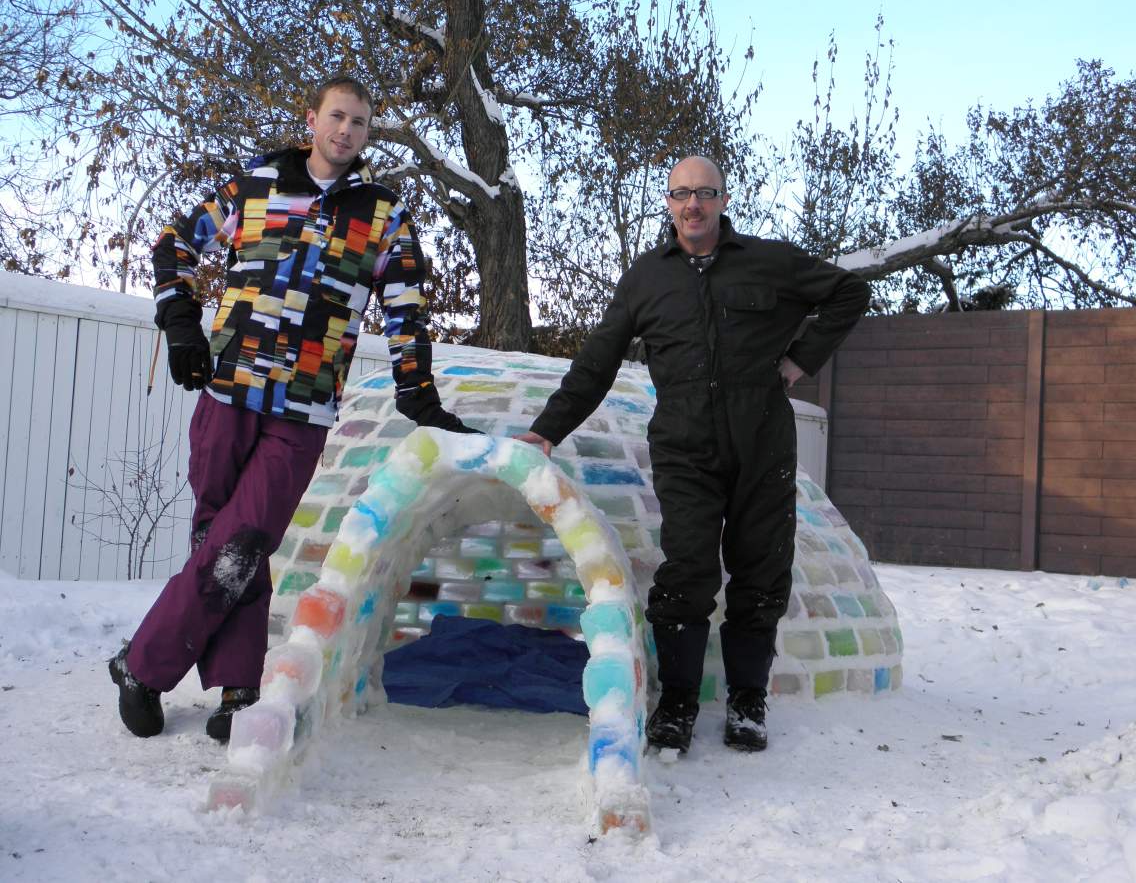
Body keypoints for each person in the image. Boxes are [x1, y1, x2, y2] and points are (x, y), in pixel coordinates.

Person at [109, 76, 475, 741]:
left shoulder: (382, 214)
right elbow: (173, 246)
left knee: (244, 538)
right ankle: (237, 688)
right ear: (312, 120)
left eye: (359, 122)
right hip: (228, 390)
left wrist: (417, 392)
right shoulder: (255, 186)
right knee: (219, 538)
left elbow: (405, 309)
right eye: (337, 116)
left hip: (303, 407)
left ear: (367, 134)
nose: (346, 130)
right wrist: (181, 322)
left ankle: (143, 665)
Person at [517, 156, 869, 754]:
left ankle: (747, 702)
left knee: (761, 571)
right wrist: (547, 431)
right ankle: (678, 703)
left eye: (704, 193)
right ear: (669, 202)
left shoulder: (769, 261)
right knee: (687, 572)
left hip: (763, 443)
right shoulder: (646, 278)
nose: (693, 205)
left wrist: (800, 360)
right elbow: (597, 362)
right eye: (681, 194)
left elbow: (849, 291)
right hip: (685, 447)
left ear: (724, 200)